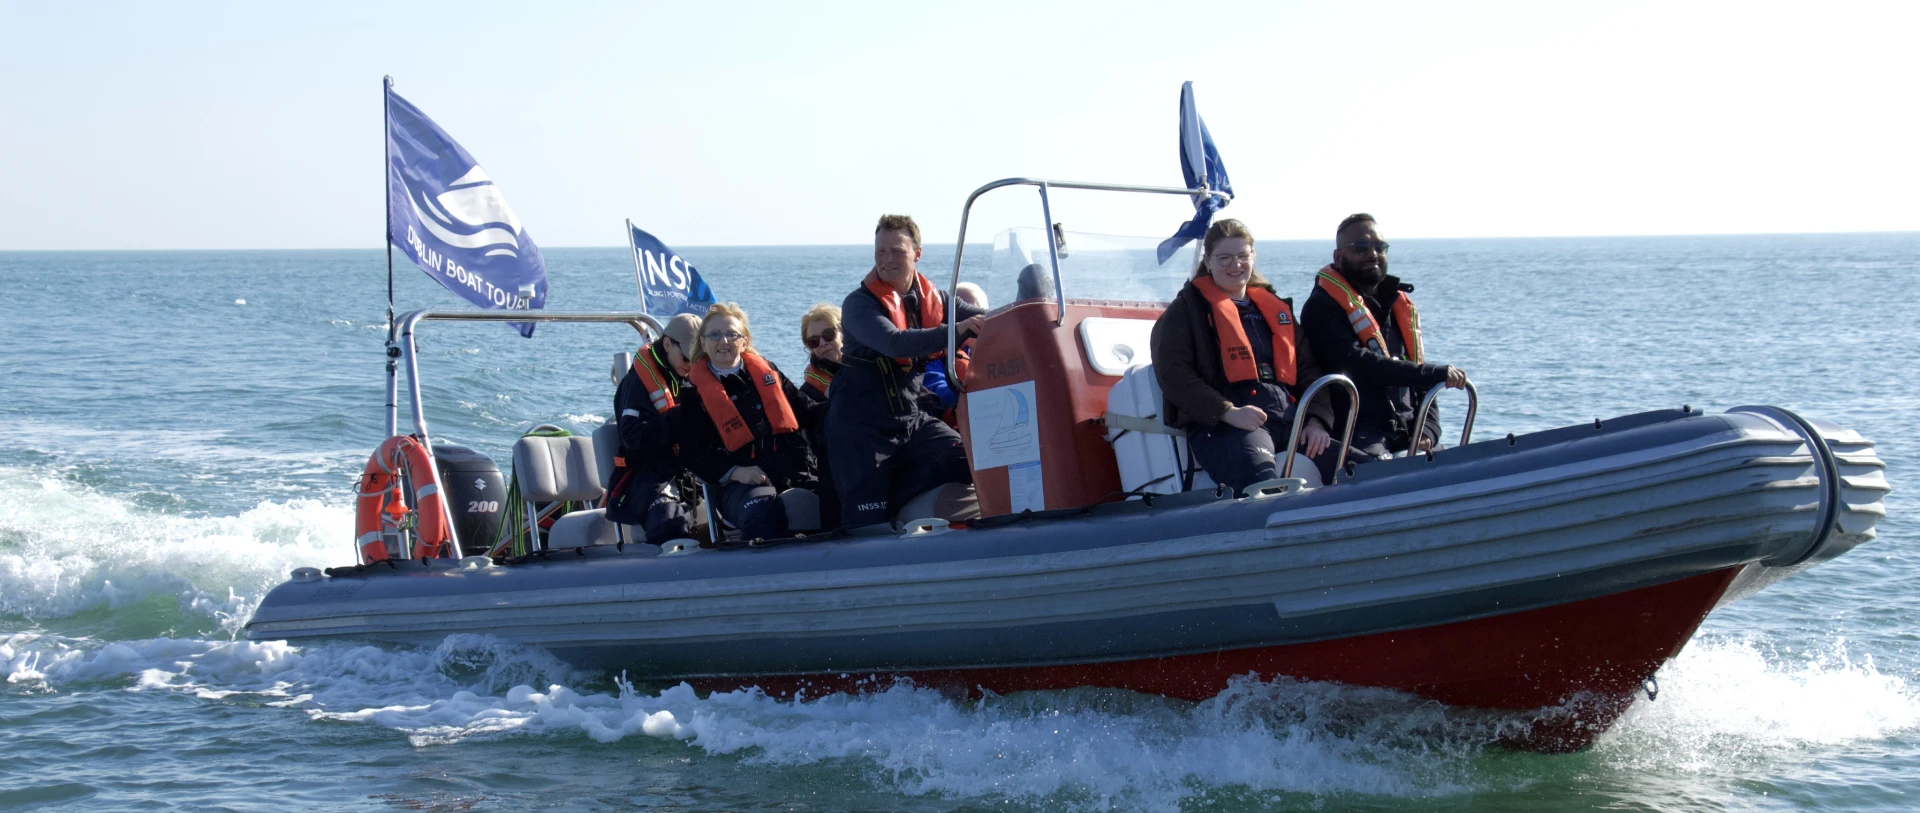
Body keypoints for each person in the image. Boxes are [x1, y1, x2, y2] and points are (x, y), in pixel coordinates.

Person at [1150, 219, 1340, 493]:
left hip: (1289, 421)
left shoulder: (1275, 310)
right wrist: (1227, 412)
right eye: (1224, 258)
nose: (1235, 265)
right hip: (1225, 428)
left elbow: (1309, 368)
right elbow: (1174, 375)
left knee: (1360, 469)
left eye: (1242, 256)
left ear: (1253, 256)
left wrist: (1316, 420)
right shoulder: (1184, 313)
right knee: (1264, 485)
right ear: (1209, 260)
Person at [826, 214, 985, 528]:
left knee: (969, 460)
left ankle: (908, 507)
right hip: (862, 429)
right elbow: (895, 343)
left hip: (910, 421)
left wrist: (1035, 312)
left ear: (917, 254)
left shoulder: (935, 300)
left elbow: (989, 318)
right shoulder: (858, 305)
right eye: (880, 251)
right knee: (868, 522)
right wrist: (960, 329)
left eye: (896, 251)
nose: (886, 259)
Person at [1300, 213, 1467, 463]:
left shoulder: (1396, 304)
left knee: (1455, 463)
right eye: (1361, 247)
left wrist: (1428, 431)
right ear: (1338, 256)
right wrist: (1434, 373)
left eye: (1380, 247)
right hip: (1360, 432)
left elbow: (1419, 376)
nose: (1372, 254)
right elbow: (1358, 363)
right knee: (1380, 468)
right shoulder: (1320, 308)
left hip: (1408, 428)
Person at [674, 303, 830, 541]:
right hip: (740, 486)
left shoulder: (768, 373)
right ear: (703, 343)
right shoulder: (694, 393)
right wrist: (735, 472)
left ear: (744, 341)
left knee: (840, 494)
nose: (723, 341)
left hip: (793, 472)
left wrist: (845, 408)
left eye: (731, 334)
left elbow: (808, 411)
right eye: (714, 335)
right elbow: (692, 454)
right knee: (762, 510)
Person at [607, 313, 702, 544]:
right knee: (670, 524)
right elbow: (633, 438)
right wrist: (678, 417)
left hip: (694, 473)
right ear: (667, 344)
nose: (691, 366)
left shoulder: (694, 377)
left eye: (697, 360)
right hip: (648, 477)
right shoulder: (636, 385)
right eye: (687, 359)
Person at [923, 282, 985, 412]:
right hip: (958, 421)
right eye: (970, 319)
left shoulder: (993, 350)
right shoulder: (936, 355)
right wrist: (969, 389)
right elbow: (936, 389)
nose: (976, 325)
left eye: (981, 319)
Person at [794, 303, 842, 407]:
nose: (822, 343)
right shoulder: (807, 395)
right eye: (814, 341)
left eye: (828, 334)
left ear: (844, 332)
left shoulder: (873, 368)